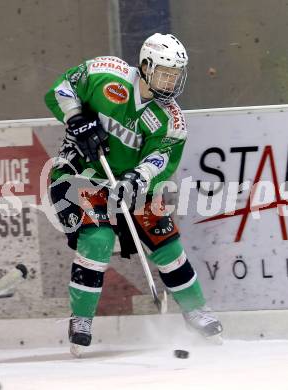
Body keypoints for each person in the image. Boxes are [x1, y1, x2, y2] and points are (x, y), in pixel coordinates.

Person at [45, 33, 223, 355]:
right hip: (79, 175)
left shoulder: (171, 119)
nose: (170, 82)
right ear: (144, 65)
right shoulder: (105, 73)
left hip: (131, 183)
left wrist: (136, 180)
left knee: (165, 242)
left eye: (175, 75)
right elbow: (62, 87)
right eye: (164, 73)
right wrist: (77, 120)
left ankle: (196, 310)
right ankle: (81, 319)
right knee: (97, 240)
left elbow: (161, 159)